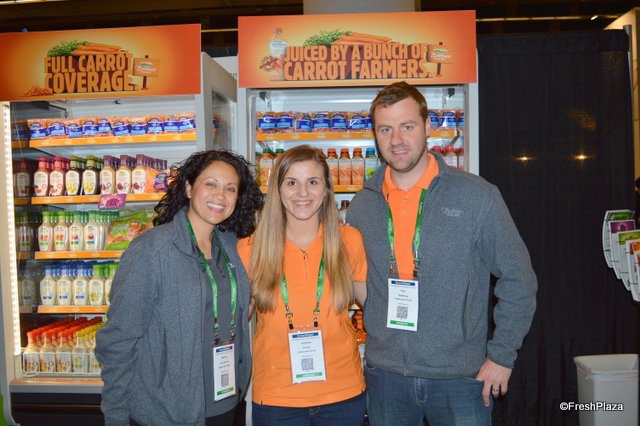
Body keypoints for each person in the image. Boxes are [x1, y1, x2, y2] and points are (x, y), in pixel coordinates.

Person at [346, 81, 537, 426]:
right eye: (385, 129)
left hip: (459, 379)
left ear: (428, 126)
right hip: (386, 377)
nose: (396, 140)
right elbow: (358, 280)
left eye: (407, 126)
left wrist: (501, 356)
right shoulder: (363, 205)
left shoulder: (477, 196)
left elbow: (518, 277)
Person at [96, 150, 263, 426]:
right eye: (211, 184)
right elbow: (118, 340)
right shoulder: (152, 250)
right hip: (166, 410)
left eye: (230, 188)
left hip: (225, 399)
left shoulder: (231, 247)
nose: (220, 196)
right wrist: (116, 416)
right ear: (188, 187)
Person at [237, 145, 368, 426]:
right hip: (276, 398)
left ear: (326, 188)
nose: (303, 193)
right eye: (292, 183)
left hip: (343, 393)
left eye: (313, 182)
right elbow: (231, 320)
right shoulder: (250, 249)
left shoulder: (349, 240)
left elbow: (374, 304)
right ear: (277, 189)